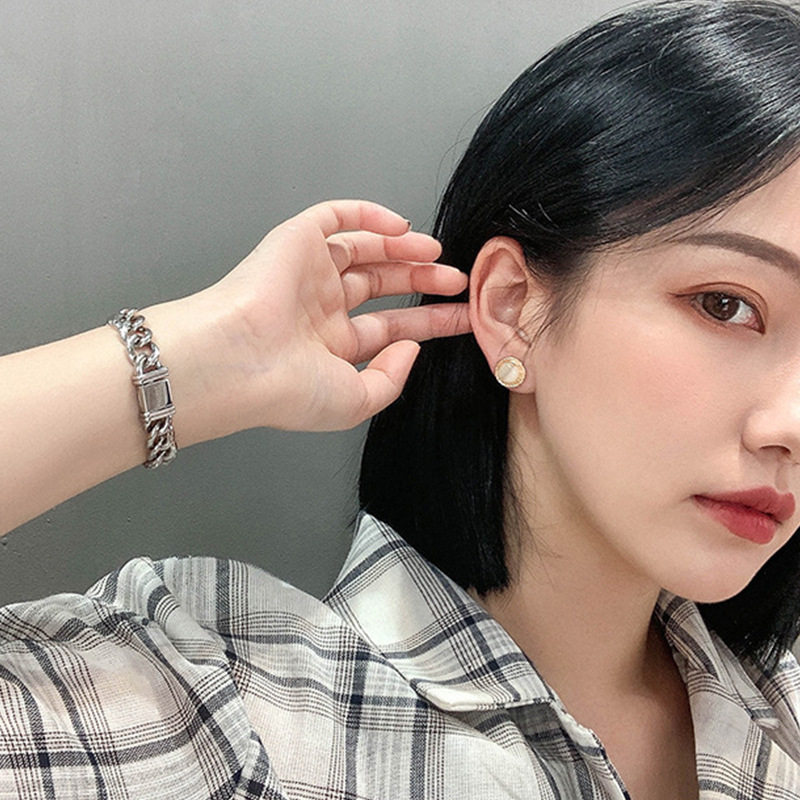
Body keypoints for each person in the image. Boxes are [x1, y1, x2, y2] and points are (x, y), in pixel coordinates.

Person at [4, 0, 800, 797]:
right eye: (726, 304)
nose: (791, 426)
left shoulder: (779, 713)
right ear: (513, 308)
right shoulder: (236, 726)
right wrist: (202, 357)